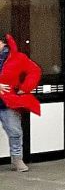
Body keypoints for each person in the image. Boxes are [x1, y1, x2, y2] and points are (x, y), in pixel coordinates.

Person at [0, 34, 41, 173]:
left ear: (2, 43)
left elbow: (34, 71)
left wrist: (25, 88)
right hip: (6, 99)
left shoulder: (18, 58)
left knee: (15, 132)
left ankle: (17, 159)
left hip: (9, 101)